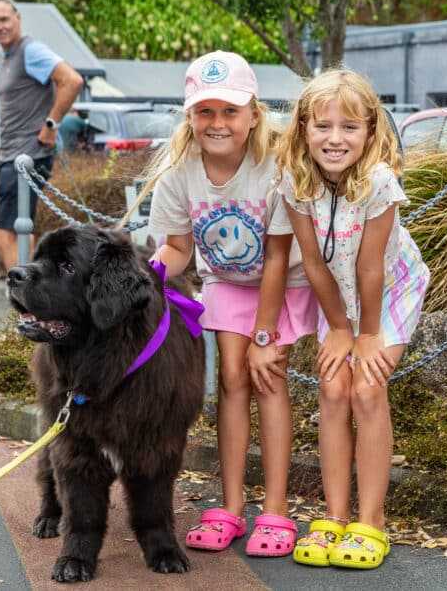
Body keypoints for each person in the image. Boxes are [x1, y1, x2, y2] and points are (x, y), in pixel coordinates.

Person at [120, 50, 318, 558]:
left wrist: (266, 335)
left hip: (285, 279)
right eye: (205, 111)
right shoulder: (178, 175)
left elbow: (278, 256)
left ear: (254, 112)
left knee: (267, 376)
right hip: (227, 282)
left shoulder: (276, 166)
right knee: (230, 379)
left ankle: (274, 509)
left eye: (230, 111)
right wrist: (142, 280)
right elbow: (178, 249)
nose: (217, 123)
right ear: (190, 116)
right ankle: (230, 506)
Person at [275, 69, 429, 570]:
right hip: (338, 296)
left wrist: (365, 336)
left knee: (366, 386)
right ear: (303, 129)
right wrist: (339, 328)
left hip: (388, 288)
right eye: (322, 126)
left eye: (349, 127)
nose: (335, 139)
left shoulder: (378, 182)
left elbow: (371, 266)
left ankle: (372, 519)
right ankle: (336, 514)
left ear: (370, 131)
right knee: (332, 388)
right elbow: (314, 263)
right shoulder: (296, 181)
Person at [0, 0, 84, 270]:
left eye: (4, 19)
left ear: (18, 19)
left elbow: (72, 80)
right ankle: (34, 303)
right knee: (20, 233)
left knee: (1, 235)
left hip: (26, 157)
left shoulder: (31, 51)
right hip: (14, 156)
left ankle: (23, 308)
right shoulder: (7, 56)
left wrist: (51, 124)